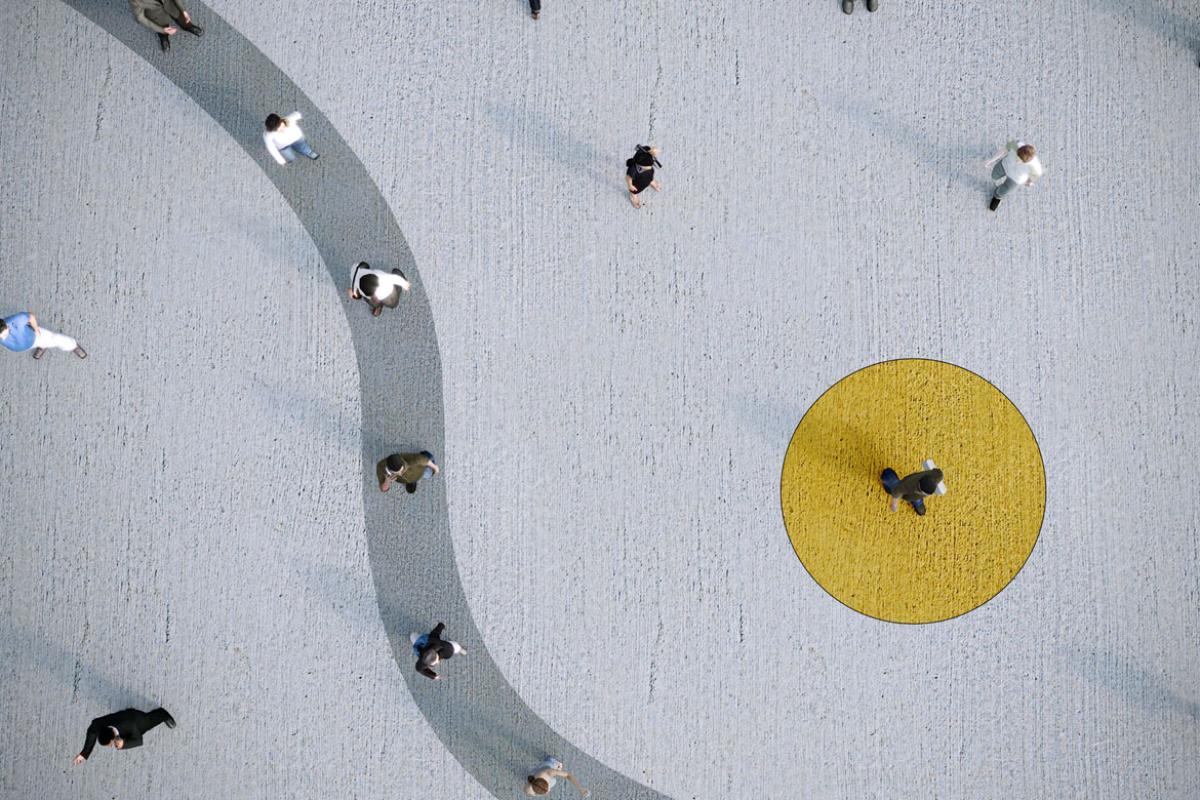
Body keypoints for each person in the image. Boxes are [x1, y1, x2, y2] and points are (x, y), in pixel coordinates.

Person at [73, 707, 175, 764]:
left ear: (112, 737)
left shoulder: (128, 724)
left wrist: (124, 744)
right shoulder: (100, 724)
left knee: (148, 723)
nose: (110, 746)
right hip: (122, 717)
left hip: (136, 720)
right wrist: (84, 754)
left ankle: (162, 714)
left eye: (110, 743)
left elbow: (139, 740)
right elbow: (92, 731)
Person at [1, 312, 87, 360]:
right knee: (44, 342)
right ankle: (42, 345)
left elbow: (30, 317)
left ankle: (72, 345)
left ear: (6, 325)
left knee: (55, 339)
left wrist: (36, 329)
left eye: (4, 334)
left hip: (35, 336)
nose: (4, 338)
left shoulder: (16, 320)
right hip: (25, 345)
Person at [986, 141, 1043, 211]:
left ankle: (997, 196)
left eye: (1021, 161)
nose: (1017, 161)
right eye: (1017, 157)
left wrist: (1028, 182)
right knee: (993, 176)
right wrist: (991, 161)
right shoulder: (1015, 144)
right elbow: (1003, 150)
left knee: (1001, 192)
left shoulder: (1035, 168)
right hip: (1005, 166)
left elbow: (1034, 178)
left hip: (1015, 179)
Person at [129, 0, 202, 53]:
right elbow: (140, 17)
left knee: (182, 18)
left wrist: (183, 10)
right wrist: (161, 30)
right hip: (155, 15)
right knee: (162, 26)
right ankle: (164, 36)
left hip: (170, 4)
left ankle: (188, 26)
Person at [881, 460, 946, 516]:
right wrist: (894, 504)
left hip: (916, 496)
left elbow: (939, 473)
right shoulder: (909, 484)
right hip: (904, 489)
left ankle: (918, 501)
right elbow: (897, 491)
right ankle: (888, 476)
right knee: (888, 476)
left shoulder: (937, 475)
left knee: (917, 498)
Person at [524, 757, 590, 796]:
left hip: (543, 768)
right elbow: (567, 775)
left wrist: (580, 788)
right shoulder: (547, 774)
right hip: (538, 770)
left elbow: (568, 775)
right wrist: (580, 788)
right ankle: (552, 763)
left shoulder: (548, 772)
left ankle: (552, 762)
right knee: (554, 781)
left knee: (551, 766)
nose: (547, 792)